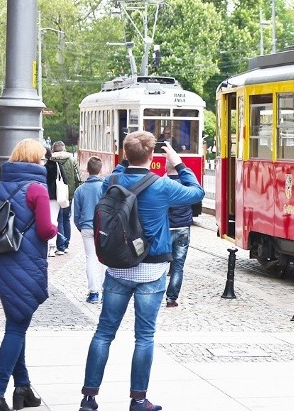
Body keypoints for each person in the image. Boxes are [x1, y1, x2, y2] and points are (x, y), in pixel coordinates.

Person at [79, 131, 204, 411]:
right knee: (144, 336)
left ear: (126, 154)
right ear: (152, 156)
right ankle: (138, 400)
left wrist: (125, 160)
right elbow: (197, 193)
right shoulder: (161, 186)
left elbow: (118, 178)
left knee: (103, 333)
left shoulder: (110, 182)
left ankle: (89, 398)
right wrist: (179, 164)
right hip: (152, 270)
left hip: (118, 268)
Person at [0, 138, 56, 411]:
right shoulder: (38, 189)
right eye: (42, 158)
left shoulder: (1, 189)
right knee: (16, 328)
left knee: (16, 323)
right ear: (35, 159)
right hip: (25, 266)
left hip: (1, 266)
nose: (45, 162)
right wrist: (56, 228)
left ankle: (23, 388)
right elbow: (46, 230)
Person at [164, 159, 204, 308]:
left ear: (166, 168)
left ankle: (156, 294)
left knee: (160, 263)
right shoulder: (187, 186)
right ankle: (171, 299)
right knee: (178, 266)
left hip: (166, 229)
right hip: (183, 229)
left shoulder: (162, 184)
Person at [72, 156, 106, 304]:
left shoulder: (80, 190)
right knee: (105, 260)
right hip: (103, 228)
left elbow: (76, 214)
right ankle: (107, 291)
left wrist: (82, 227)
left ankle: (93, 293)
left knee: (90, 260)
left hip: (86, 227)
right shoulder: (105, 187)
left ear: (87, 170)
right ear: (101, 170)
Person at [50, 141, 81, 255]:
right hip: (68, 194)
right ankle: (66, 244)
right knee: (66, 219)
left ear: (54, 150)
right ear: (64, 149)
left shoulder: (51, 160)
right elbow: (78, 177)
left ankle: (60, 246)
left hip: (54, 194)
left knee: (58, 219)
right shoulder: (72, 160)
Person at [43, 147, 63, 258]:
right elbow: (64, 179)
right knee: (53, 220)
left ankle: (48, 245)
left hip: (44, 196)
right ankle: (52, 246)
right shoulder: (56, 165)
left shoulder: (41, 166)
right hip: (55, 196)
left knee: (46, 220)